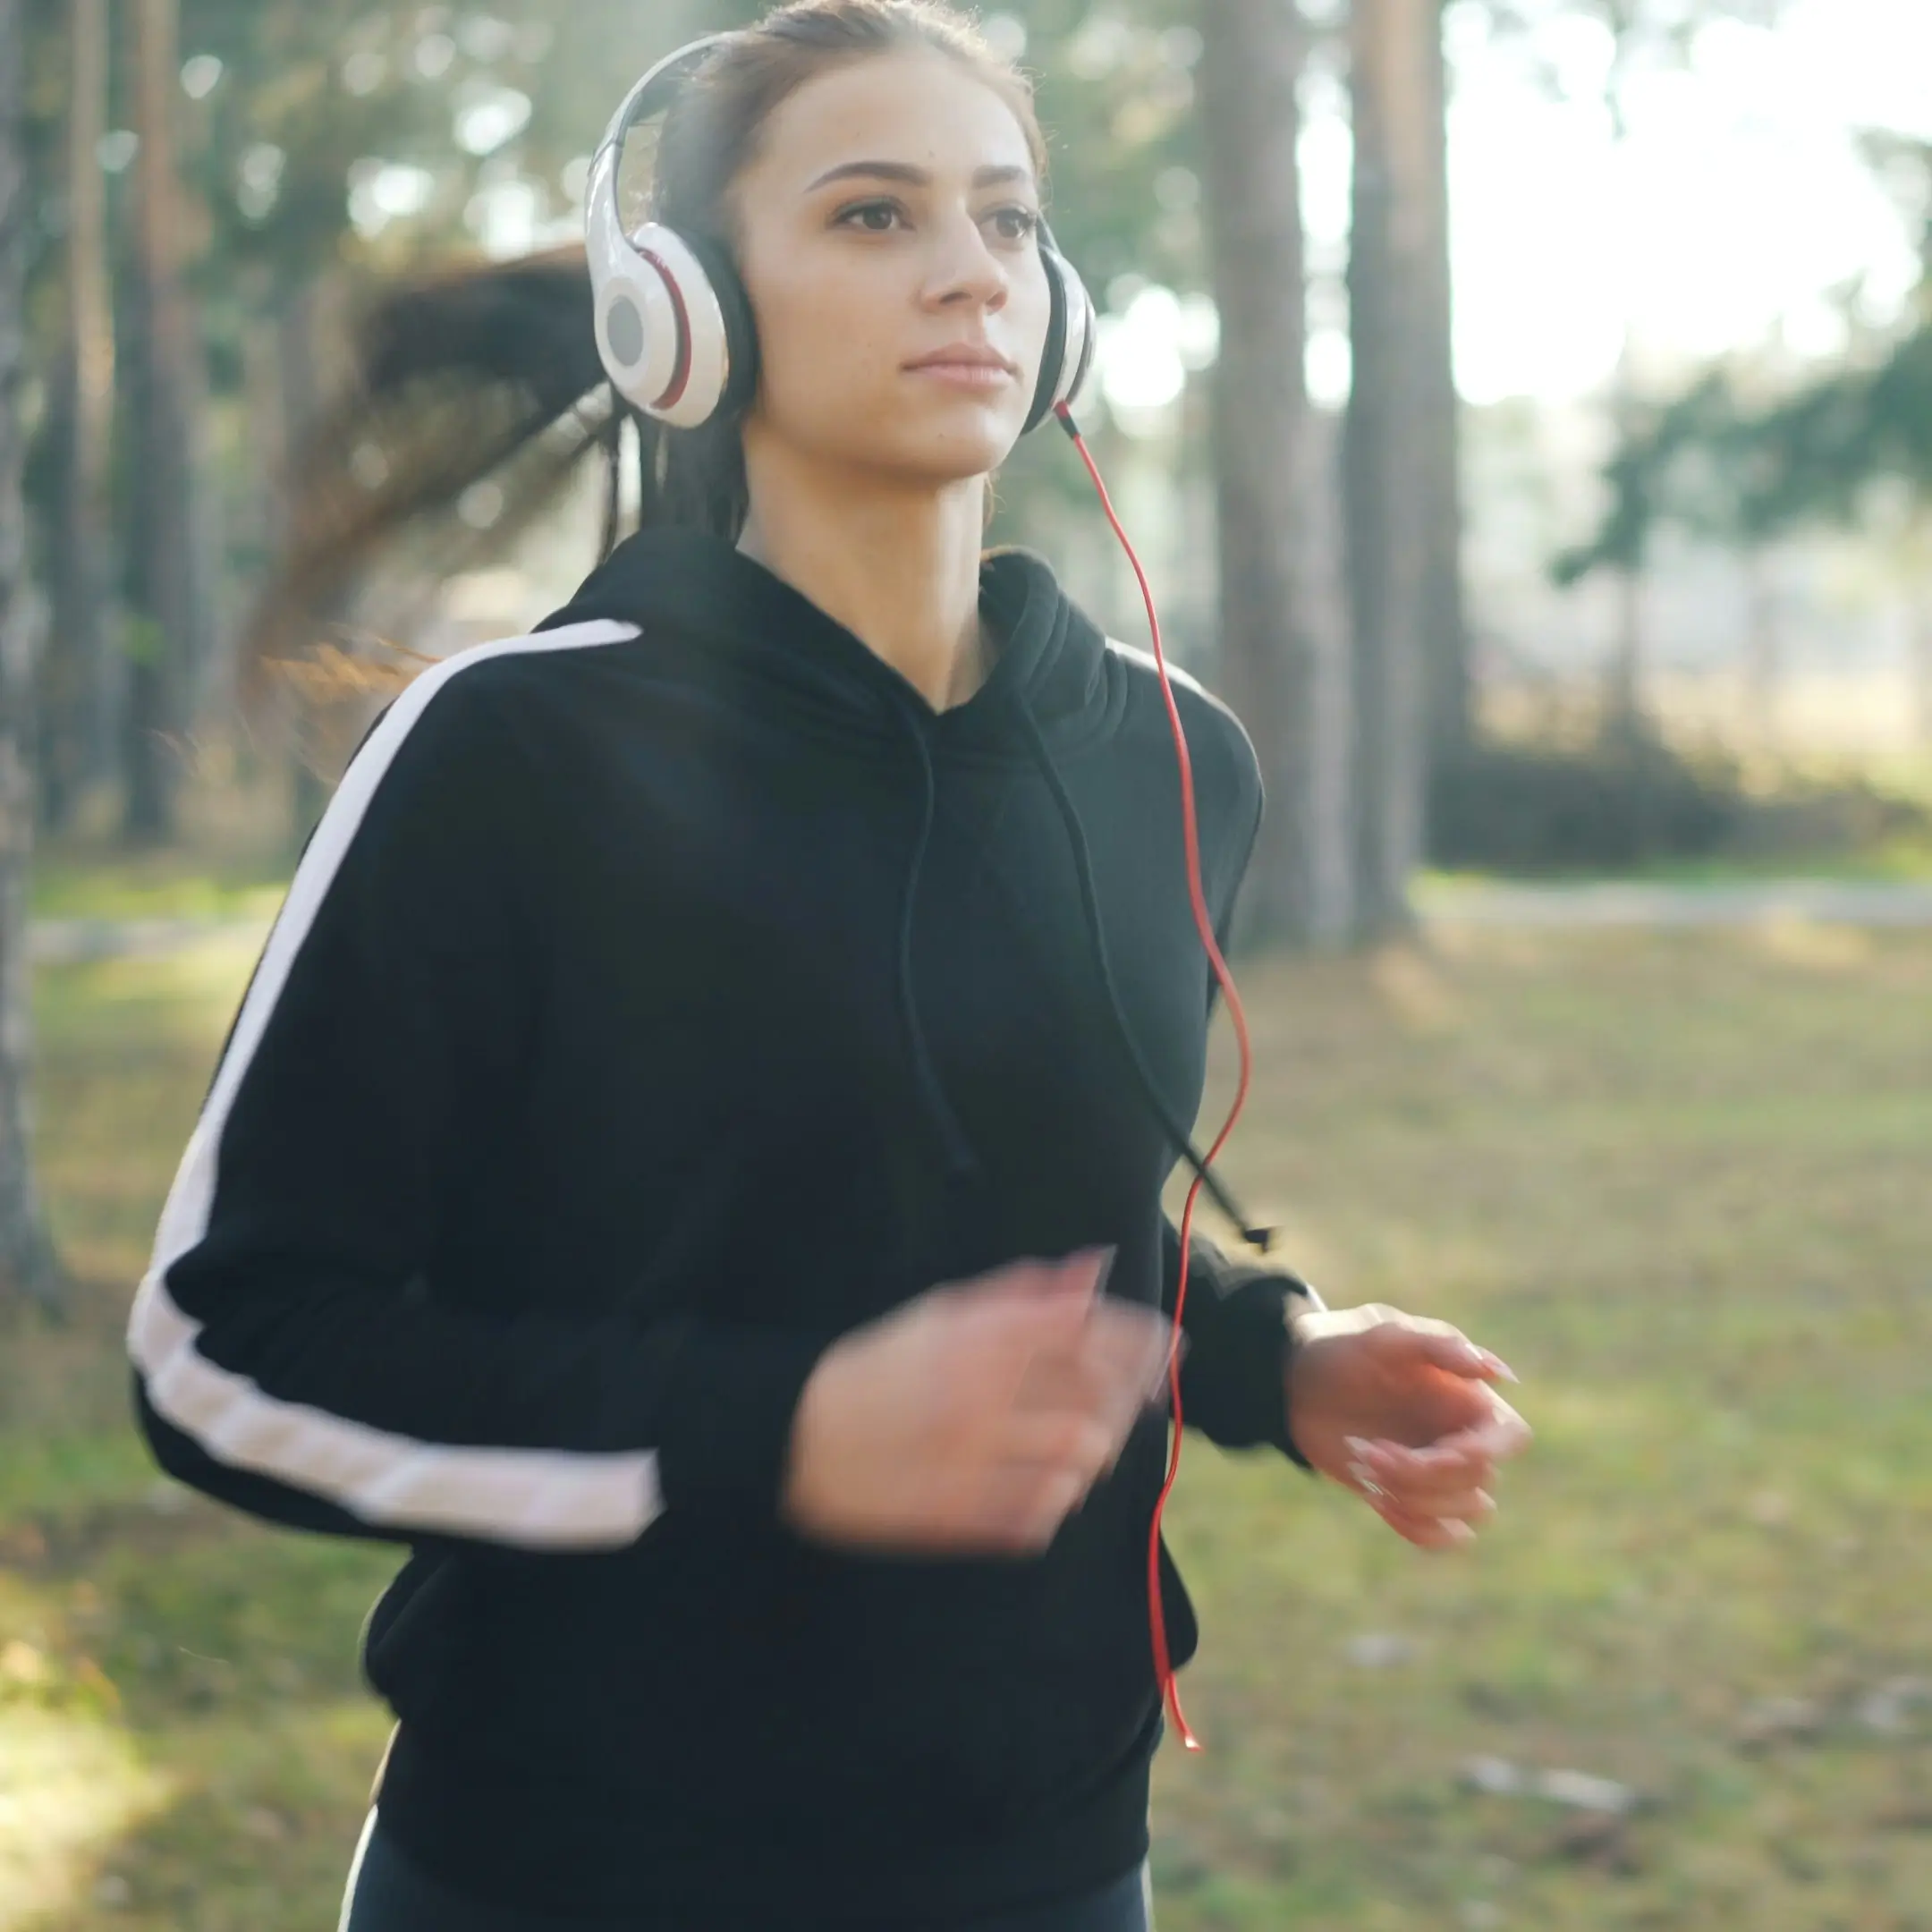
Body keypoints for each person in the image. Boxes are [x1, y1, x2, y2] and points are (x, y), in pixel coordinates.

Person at [126, 4, 1531, 1928]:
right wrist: (776, 1434)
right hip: (573, 1870)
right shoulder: (508, 759)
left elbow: (1010, 1215)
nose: (969, 268)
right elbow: (228, 1348)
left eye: (1009, 219)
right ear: (684, 314)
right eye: (873, 216)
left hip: (1049, 1866)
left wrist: (1267, 1361)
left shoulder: (1172, 766)